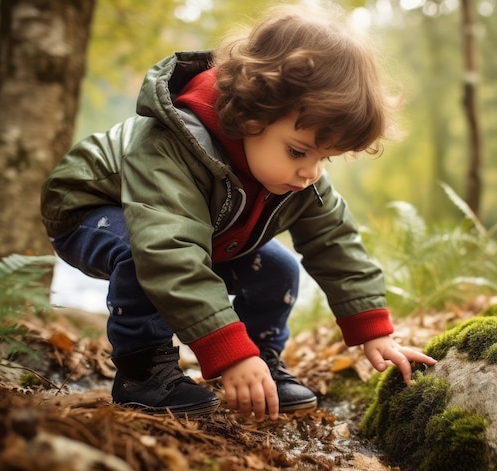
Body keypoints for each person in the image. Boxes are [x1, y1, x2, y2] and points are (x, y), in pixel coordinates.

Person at [40, 2, 437, 422]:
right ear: (250, 116)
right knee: (144, 256)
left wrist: (374, 330)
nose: (311, 172)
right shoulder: (171, 144)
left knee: (277, 269)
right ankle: (144, 373)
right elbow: (168, 251)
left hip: (195, 229)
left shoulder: (297, 172)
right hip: (89, 207)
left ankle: (262, 363)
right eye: (299, 151)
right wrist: (227, 354)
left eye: (327, 157)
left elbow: (334, 240)